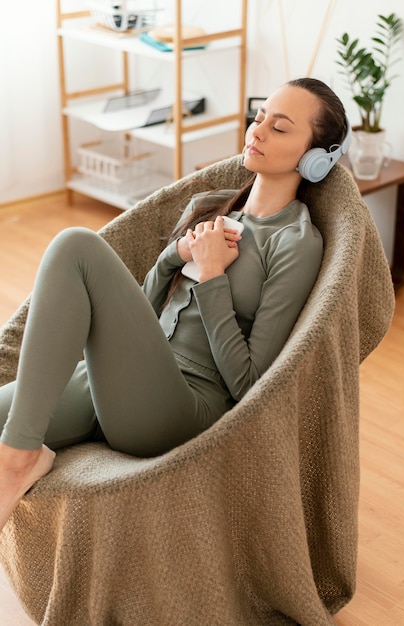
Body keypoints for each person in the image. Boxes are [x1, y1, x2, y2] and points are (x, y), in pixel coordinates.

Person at [0, 77, 349, 531]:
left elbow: (251, 386)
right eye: (259, 118)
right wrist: (175, 257)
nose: (257, 131)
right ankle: (22, 451)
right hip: (118, 382)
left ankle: (16, 461)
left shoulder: (296, 243)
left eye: (280, 128)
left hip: (183, 405)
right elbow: (142, 314)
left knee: (75, 246)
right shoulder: (214, 209)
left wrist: (212, 276)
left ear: (317, 160)